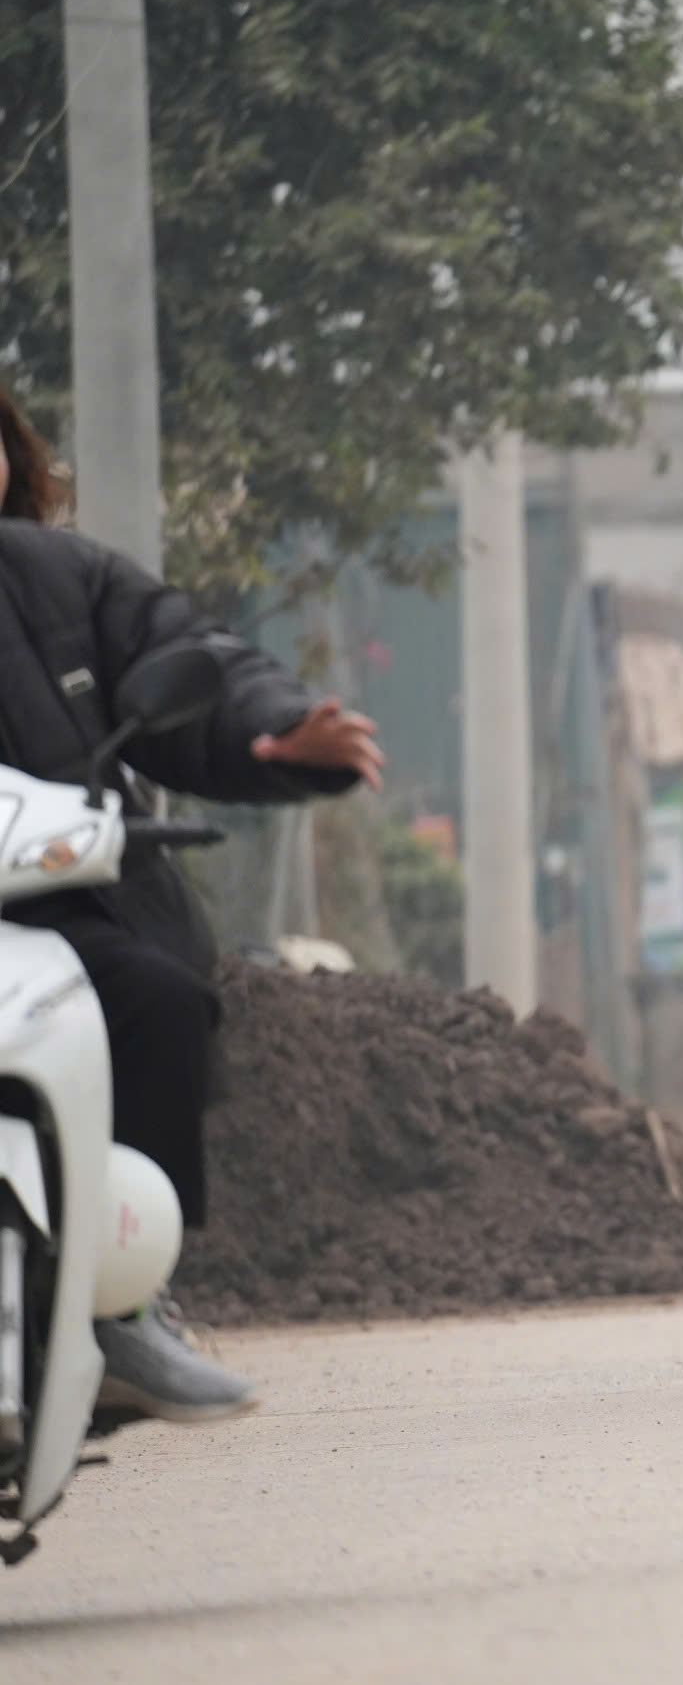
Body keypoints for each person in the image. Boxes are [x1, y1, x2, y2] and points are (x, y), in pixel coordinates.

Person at [0, 380, 382, 1421]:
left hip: (61, 917)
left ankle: (126, 1302)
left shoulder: (56, 580)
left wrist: (279, 729)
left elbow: (188, 659)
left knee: (157, 999)